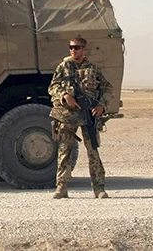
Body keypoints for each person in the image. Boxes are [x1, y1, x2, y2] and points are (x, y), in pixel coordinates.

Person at [48, 36, 113, 199]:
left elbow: (107, 88)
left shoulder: (93, 68)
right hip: (67, 114)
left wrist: (102, 105)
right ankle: (61, 187)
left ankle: (98, 187)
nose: (73, 50)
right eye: (71, 47)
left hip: (88, 113)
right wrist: (64, 96)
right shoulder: (64, 67)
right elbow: (52, 87)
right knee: (65, 150)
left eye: (77, 47)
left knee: (93, 151)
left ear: (84, 49)